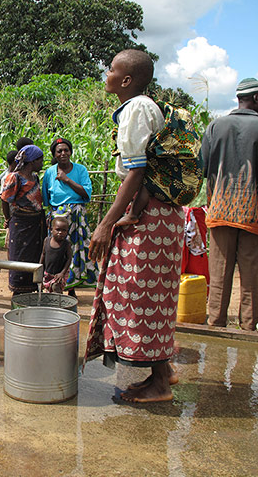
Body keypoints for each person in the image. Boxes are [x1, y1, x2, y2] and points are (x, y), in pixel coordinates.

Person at [85, 49, 182, 403]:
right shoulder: (144, 107)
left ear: (126, 80)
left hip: (149, 217)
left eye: (111, 69)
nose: (106, 73)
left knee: (136, 293)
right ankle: (164, 371)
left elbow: (137, 171)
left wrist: (106, 224)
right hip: (157, 214)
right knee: (152, 293)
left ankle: (158, 383)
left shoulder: (137, 109)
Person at [201, 77, 258, 331]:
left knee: (219, 270)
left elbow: (201, 168)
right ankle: (248, 326)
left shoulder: (216, 126)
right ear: (256, 98)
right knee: (251, 272)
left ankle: (216, 324)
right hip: (253, 212)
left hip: (220, 209)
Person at [42, 137, 96, 295]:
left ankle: (71, 286)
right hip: (57, 218)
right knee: (55, 251)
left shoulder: (80, 170)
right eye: (59, 151)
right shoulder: (49, 173)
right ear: (55, 154)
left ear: (71, 152)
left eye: (66, 150)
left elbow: (86, 194)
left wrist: (66, 180)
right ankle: (54, 285)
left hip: (76, 217)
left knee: (76, 250)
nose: (63, 153)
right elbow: (46, 198)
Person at [0, 144, 46, 295]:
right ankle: (18, 292)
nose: (42, 163)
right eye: (40, 160)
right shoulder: (14, 177)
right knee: (19, 256)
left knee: (35, 256)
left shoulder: (35, 177)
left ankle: (31, 289)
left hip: (36, 223)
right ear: (32, 161)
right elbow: (5, 199)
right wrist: (8, 219)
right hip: (21, 223)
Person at [39, 216, 73, 293]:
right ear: (51, 230)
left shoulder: (66, 244)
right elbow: (43, 255)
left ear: (67, 232)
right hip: (47, 272)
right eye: (58, 229)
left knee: (56, 288)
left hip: (59, 274)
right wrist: (40, 268)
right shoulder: (47, 241)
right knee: (45, 289)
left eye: (63, 230)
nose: (60, 232)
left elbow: (69, 259)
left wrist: (62, 273)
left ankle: (58, 304)